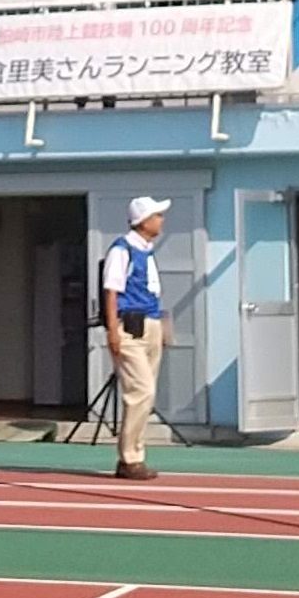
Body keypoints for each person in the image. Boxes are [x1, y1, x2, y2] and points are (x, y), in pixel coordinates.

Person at [102, 196, 169, 481]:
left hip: (150, 323)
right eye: (157, 216)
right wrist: (112, 330)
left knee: (145, 393)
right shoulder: (123, 249)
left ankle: (134, 455)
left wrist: (161, 323)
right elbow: (111, 291)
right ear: (143, 221)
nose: (161, 220)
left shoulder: (147, 251)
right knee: (142, 390)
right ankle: (129, 457)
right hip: (129, 326)